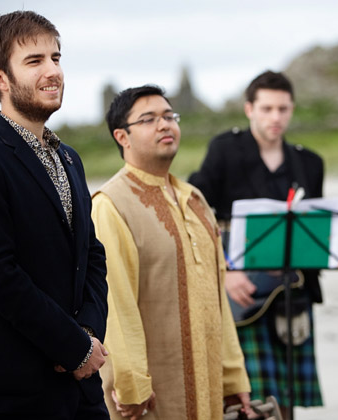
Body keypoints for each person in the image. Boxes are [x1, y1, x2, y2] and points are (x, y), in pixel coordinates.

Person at [0, 11, 109, 420]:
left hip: (82, 388)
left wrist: (87, 335)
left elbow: (90, 254)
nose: (53, 70)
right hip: (14, 391)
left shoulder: (69, 158)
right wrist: (69, 347)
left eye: (56, 58)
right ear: (0, 78)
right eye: (35, 61)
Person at [92, 85, 252, 420]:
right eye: (149, 119)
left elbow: (218, 297)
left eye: (169, 116)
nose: (165, 125)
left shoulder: (195, 199)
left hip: (208, 387)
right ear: (122, 136)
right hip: (150, 396)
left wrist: (232, 374)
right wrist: (131, 385)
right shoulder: (111, 205)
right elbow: (116, 307)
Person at [188, 70, 328, 417]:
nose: (275, 117)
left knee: (288, 400)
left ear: (292, 109)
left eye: (283, 109)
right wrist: (224, 271)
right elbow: (194, 213)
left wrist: (334, 240)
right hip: (241, 294)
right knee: (247, 398)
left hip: (292, 295)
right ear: (249, 109)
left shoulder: (309, 162)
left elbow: (313, 236)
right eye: (266, 109)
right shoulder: (225, 150)